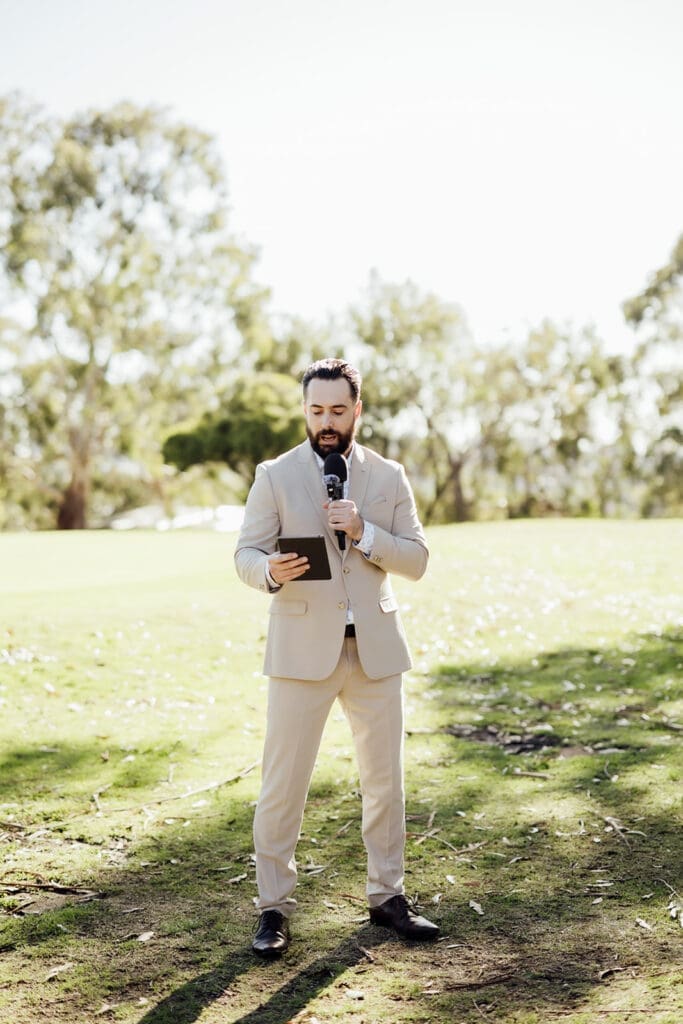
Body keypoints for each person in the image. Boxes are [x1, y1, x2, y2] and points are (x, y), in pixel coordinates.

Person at [234, 357, 439, 957]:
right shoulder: (274, 475)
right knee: (283, 785)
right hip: (300, 654)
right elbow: (245, 552)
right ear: (305, 410)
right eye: (317, 410)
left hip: (375, 652)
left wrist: (366, 532)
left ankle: (387, 896)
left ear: (357, 412)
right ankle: (273, 908)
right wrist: (268, 571)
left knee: (385, 782)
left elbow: (418, 558)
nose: (327, 422)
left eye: (338, 411)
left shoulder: (388, 475)